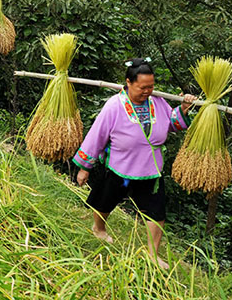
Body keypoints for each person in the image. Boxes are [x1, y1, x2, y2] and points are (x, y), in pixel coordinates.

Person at [73, 58, 196, 268]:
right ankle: (99, 229)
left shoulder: (157, 102)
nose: (148, 91)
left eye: (151, 86)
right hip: (120, 167)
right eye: (143, 87)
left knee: (156, 211)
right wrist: (85, 167)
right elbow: (97, 136)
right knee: (104, 201)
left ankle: (152, 254)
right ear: (128, 83)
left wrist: (184, 108)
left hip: (151, 169)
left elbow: (173, 124)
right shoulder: (114, 106)